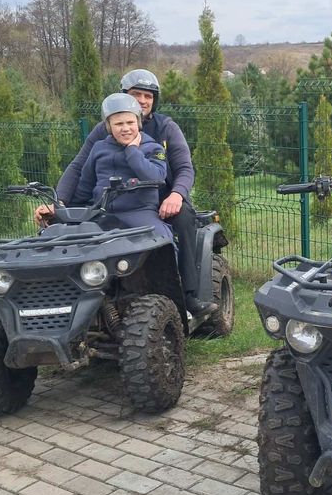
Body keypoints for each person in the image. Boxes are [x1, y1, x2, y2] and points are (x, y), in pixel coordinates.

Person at [40, 69, 217, 315]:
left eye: (148, 96)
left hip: (161, 198)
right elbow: (80, 168)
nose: (142, 101)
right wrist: (59, 203)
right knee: (69, 229)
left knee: (183, 220)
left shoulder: (166, 128)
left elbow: (185, 167)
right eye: (136, 95)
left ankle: (187, 296)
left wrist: (177, 195)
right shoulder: (103, 133)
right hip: (110, 201)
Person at [69, 93, 172, 240]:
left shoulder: (153, 148)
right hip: (100, 214)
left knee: (162, 241)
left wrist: (132, 151)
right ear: (109, 126)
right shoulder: (99, 148)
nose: (126, 128)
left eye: (130, 122)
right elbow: (85, 186)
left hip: (140, 213)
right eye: (118, 124)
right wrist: (66, 209)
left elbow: (156, 177)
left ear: (138, 123)